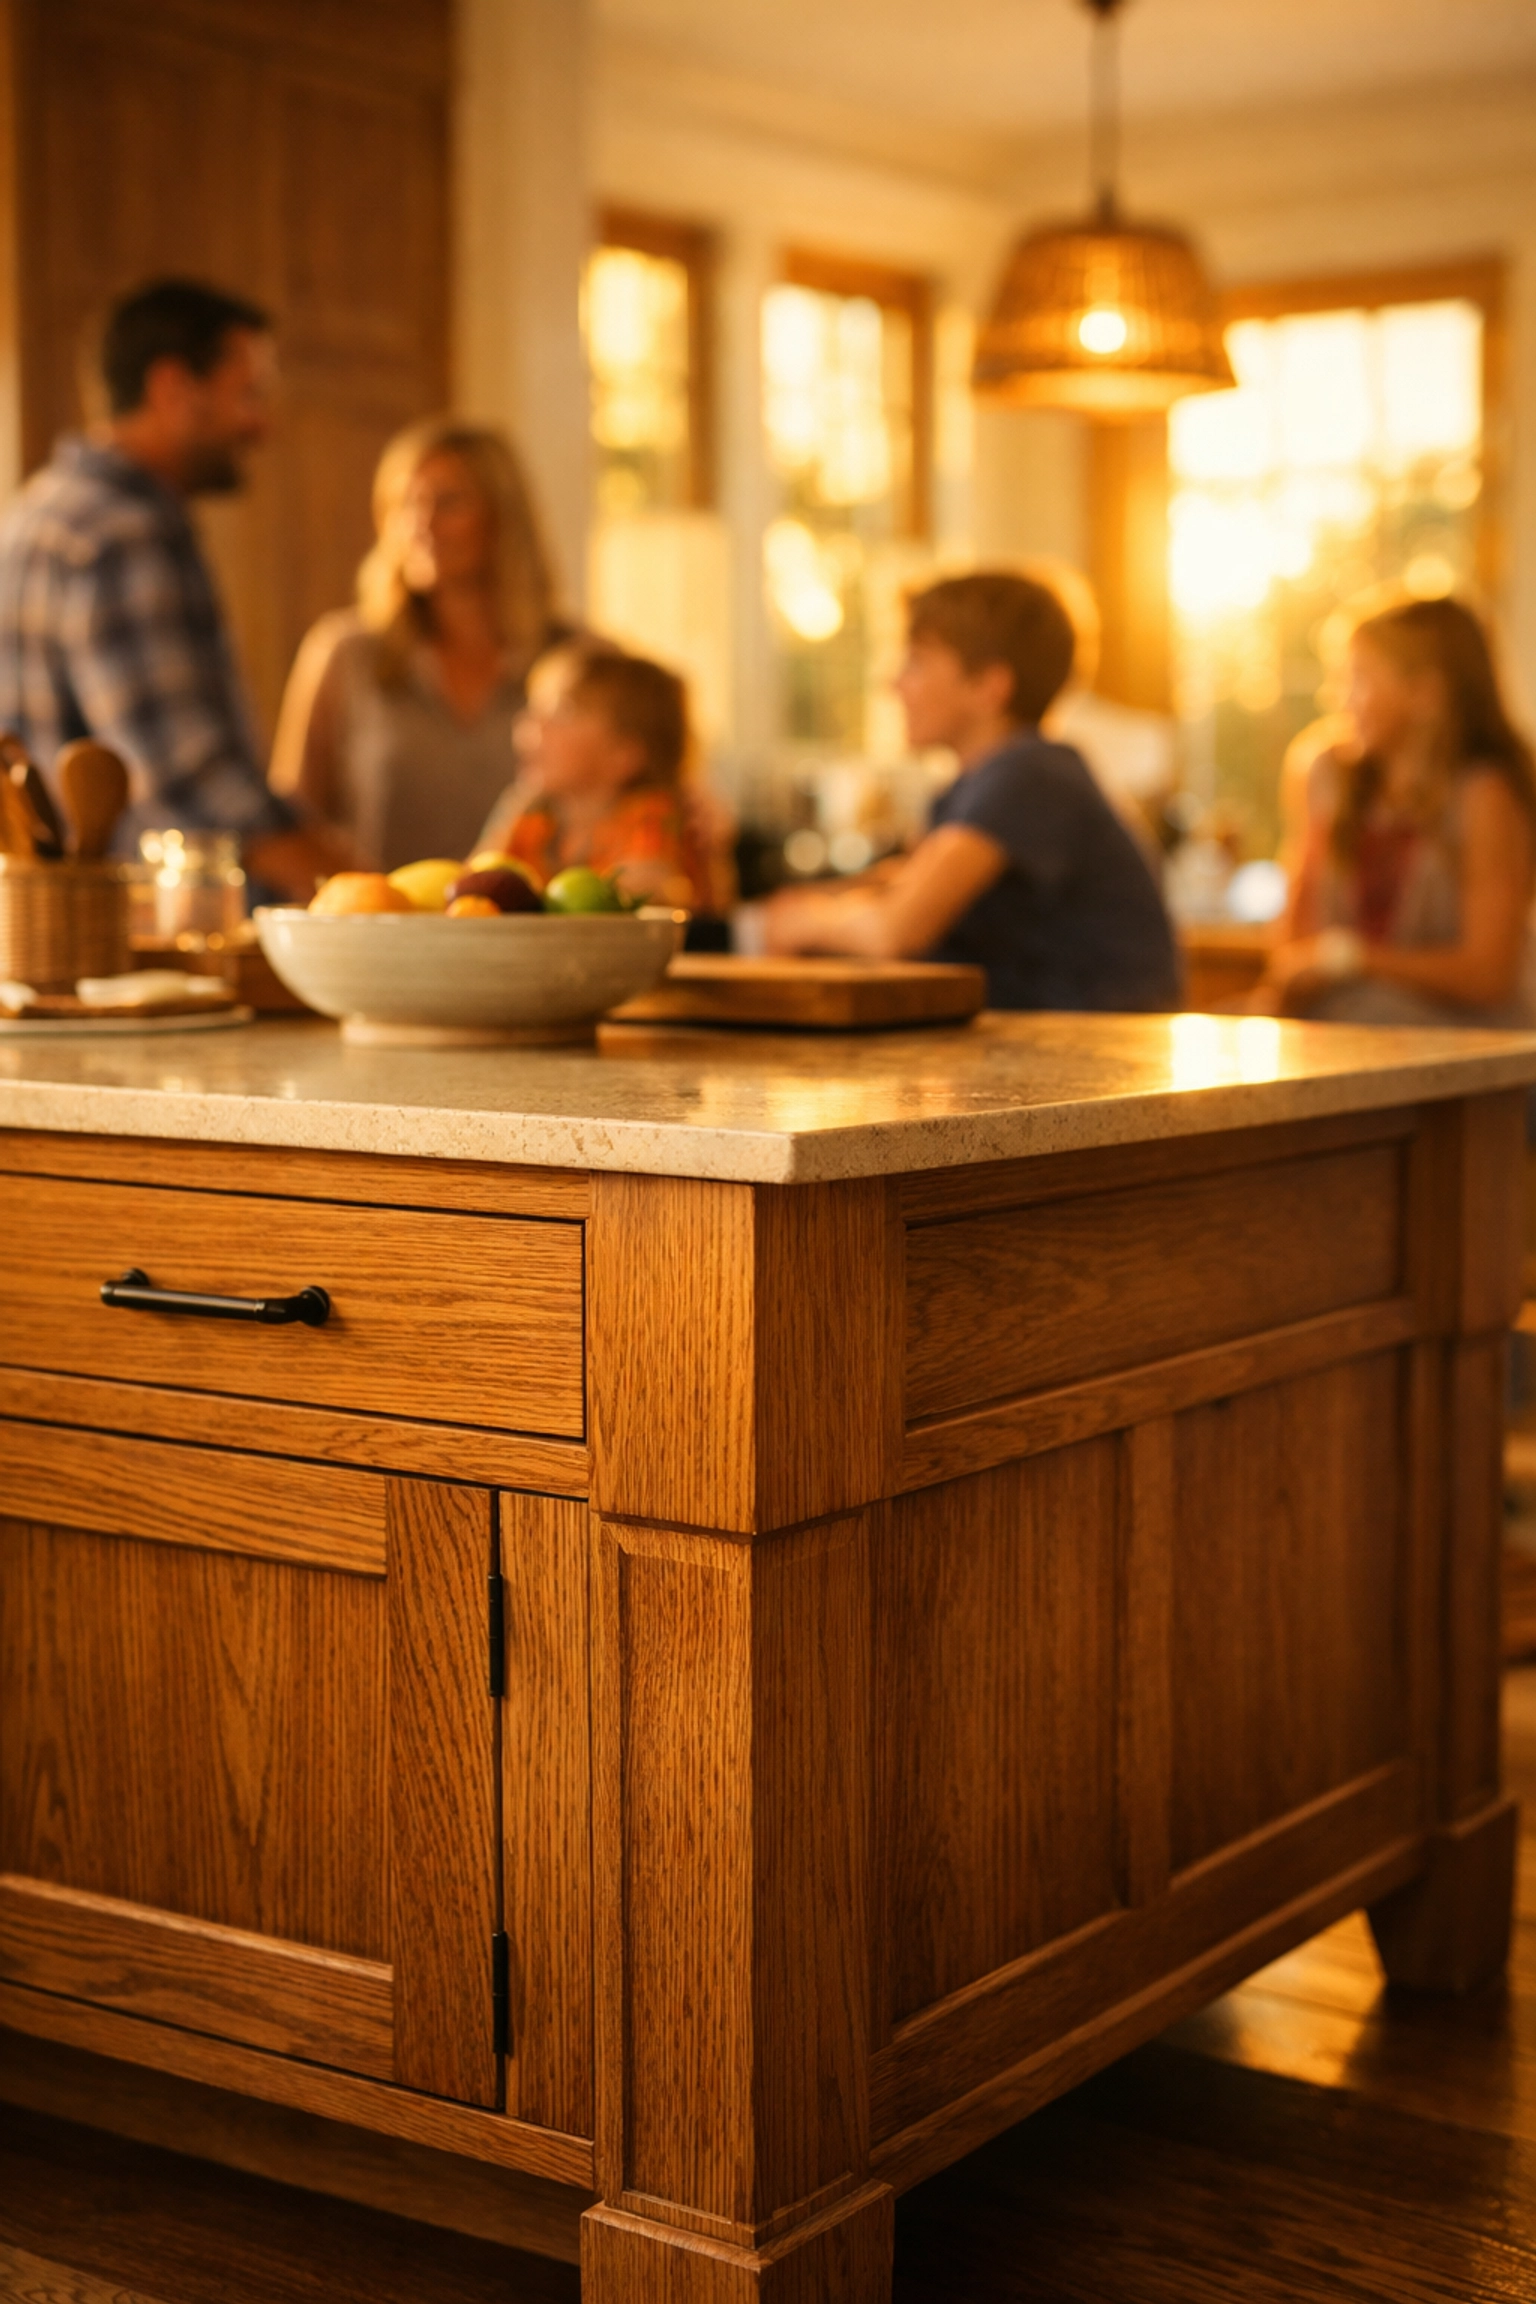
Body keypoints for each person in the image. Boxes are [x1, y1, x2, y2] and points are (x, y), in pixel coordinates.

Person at [0, 277, 329, 897]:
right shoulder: (122, 531)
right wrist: (351, 889)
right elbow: (186, 777)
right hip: (139, 938)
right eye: (247, 395)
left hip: (48, 928)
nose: (262, 426)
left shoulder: (36, 512)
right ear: (174, 388)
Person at [762, 570, 1181, 1011]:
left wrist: (801, 920)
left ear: (989, 687)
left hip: (1102, 1056)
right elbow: (905, 883)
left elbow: (895, 930)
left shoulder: (1029, 775)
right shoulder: (991, 782)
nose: (894, 685)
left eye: (916, 662)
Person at [269, 418, 566, 872]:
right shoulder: (346, 655)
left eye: (449, 503)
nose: (422, 524)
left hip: (532, 935)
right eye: (406, 504)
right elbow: (290, 824)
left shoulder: (575, 661)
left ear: (501, 515)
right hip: (381, 932)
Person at [1258, 594, 1536, 1026]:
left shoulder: (1486, 795)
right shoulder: (1327, 774)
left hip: (1469, 1052)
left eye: (1361, 679)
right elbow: (1295, 949)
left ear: (1425, 693)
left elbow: (1490, 976)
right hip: (1345, 1030)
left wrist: (1353, 959)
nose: (1343, 699)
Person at [477, 639, 722, 912]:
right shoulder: (531, 815)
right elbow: (477, 888)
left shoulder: (649, 811)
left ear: (623, 754)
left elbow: (641, 891)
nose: (531, 724)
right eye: (535, 709)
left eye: (563, 711)